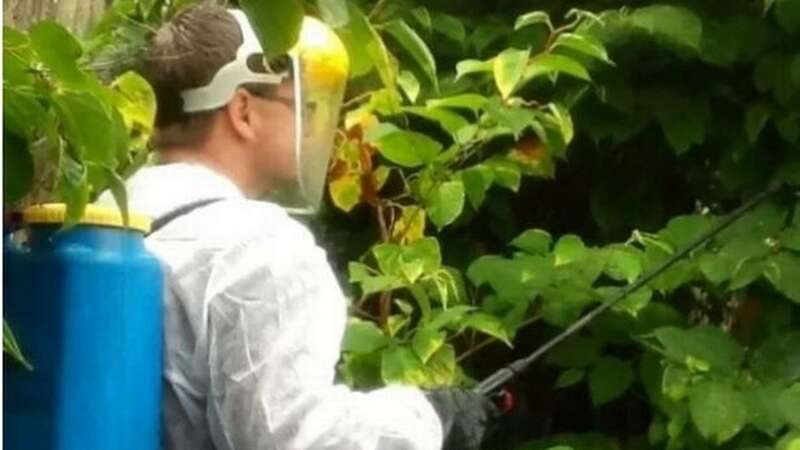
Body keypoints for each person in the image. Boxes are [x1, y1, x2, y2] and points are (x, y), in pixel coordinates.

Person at [98, 4, 496, 449]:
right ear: (244, 110)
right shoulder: (257, 249)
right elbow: (293, 438)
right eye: (301, 104)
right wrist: (429, 418)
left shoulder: (103, 221)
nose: (313, 125)